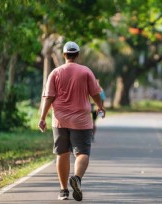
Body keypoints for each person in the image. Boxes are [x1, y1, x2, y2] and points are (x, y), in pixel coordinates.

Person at [38, 41, 105, 201]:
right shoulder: (86, 71)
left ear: (64, 55)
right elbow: (95, 93)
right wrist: (100, 107)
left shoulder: (55, 72)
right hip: (81, 120)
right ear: (78, 55)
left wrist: (42, 117)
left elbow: (49, 98)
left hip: (60, 120)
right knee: (82, 153)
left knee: (62, 153)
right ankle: (77, 178)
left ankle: (63, 191)